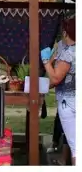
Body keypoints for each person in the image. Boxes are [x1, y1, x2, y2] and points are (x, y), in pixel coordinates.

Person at [44, 18, 76, 165]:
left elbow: (56, 78)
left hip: (69, 103)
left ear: (65, 32)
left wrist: (45, 62)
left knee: (76, 148)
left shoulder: (69, 53)